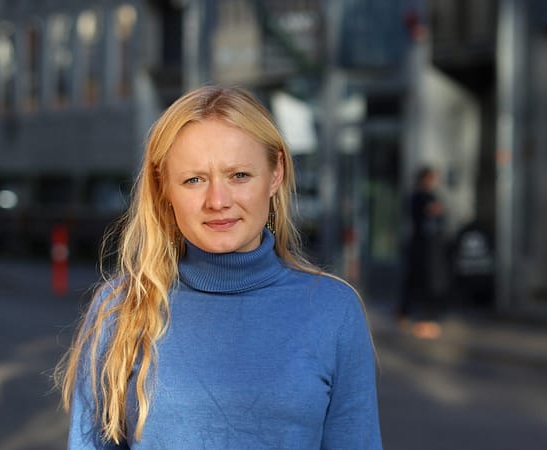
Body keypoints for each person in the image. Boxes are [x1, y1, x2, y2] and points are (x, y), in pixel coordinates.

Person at [56, 86, 382, 449]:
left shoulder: (333, 310)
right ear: (164, 188)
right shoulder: (121, 308)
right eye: (194, 180)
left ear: (275, 174)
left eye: (239, 175)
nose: (217, 200)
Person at [397, 166, 447, 338]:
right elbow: (421, 214)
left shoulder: (431, 196)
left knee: (426, 282)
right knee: (417, 281)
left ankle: (417, 318)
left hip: (431, 248)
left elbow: (440, 214)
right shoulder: (416, 197)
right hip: (420, 248)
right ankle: (415, 318)